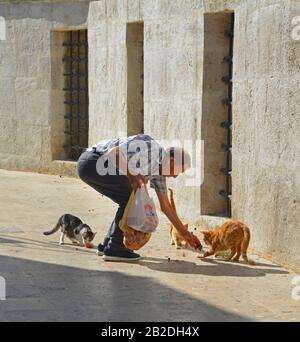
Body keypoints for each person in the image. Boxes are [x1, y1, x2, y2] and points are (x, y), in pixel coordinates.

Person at [77, 134, 201, 261]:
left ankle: (108, 245)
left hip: (93, 167)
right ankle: (115, 248)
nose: (175, 177)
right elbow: (114, 153)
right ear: (172, 162)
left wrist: (185, 234)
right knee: (129, 198)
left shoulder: (158, 173)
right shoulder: (151, 147)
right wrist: (131, 176)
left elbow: (166, 206)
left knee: (127, 199)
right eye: (178, 172)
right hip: (92, 162)